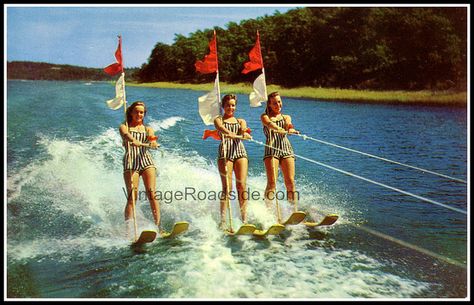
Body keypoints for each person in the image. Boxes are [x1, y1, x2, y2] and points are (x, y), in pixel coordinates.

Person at [119, 101, 161, 237]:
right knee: (132, 197)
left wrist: (153, 143)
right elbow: (126, 135)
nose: (139, 114)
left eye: (141, 112)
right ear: (131, 112)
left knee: (152, 194)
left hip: (146, 161)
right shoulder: (124, 127)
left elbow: (152, 138)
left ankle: (159, 227)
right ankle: (129, 232)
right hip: (131, 163)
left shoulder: (147, 128)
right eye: (136, 111)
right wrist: (132, 139)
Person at [214, 94, 252, 230]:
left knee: (241, 186)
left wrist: (244, 133)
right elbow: (220, 128)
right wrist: (227, 132)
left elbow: (242, 130)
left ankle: (244, 219)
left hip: (240, 152)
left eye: (233, 105)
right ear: (223, 106)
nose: (231, 107)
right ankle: (223, 221)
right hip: (225, 152)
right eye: (228, 105)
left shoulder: (241, 120)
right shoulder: (218, 120)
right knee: (227, 188)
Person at [260, 92, 300, 214]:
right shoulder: (264, 116)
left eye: (279, 101)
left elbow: (289, 125)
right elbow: (269, 124)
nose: (278, 104)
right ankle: (268, 212)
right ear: (269, 105)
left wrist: (291, 129)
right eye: (274, 103)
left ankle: (293, 212)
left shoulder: (286, 117)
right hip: (271, 150)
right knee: (272, 182)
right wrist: (279, 129)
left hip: (286, 149)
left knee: (290, 182)